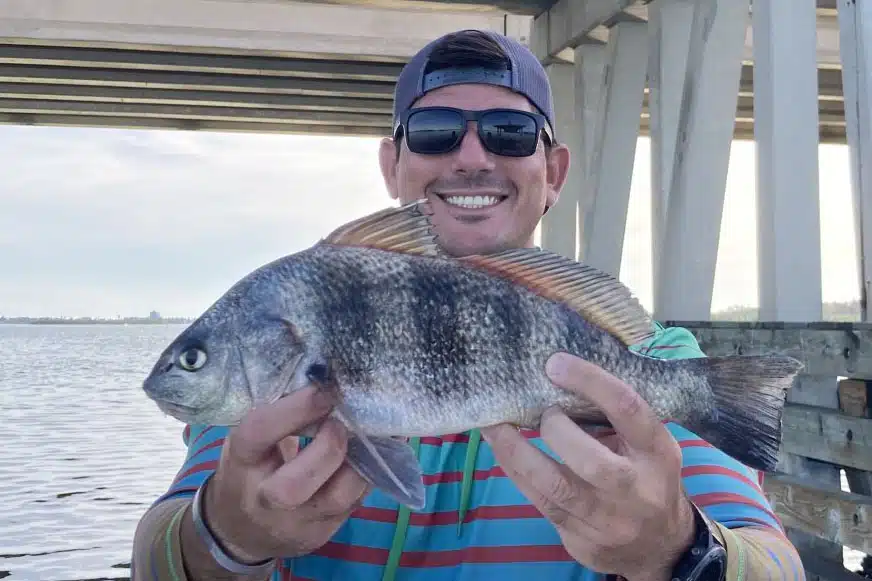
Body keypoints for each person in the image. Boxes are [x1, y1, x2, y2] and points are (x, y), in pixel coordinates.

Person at [132, 28, 805, 581]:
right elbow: (152, 556)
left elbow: (778, 567)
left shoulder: (651, 368)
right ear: (393, 165)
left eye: (510, 132)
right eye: (435, 131)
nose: (472, 156)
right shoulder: (265, 400)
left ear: (555, 174)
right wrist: (223, 536)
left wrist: (680, 552)